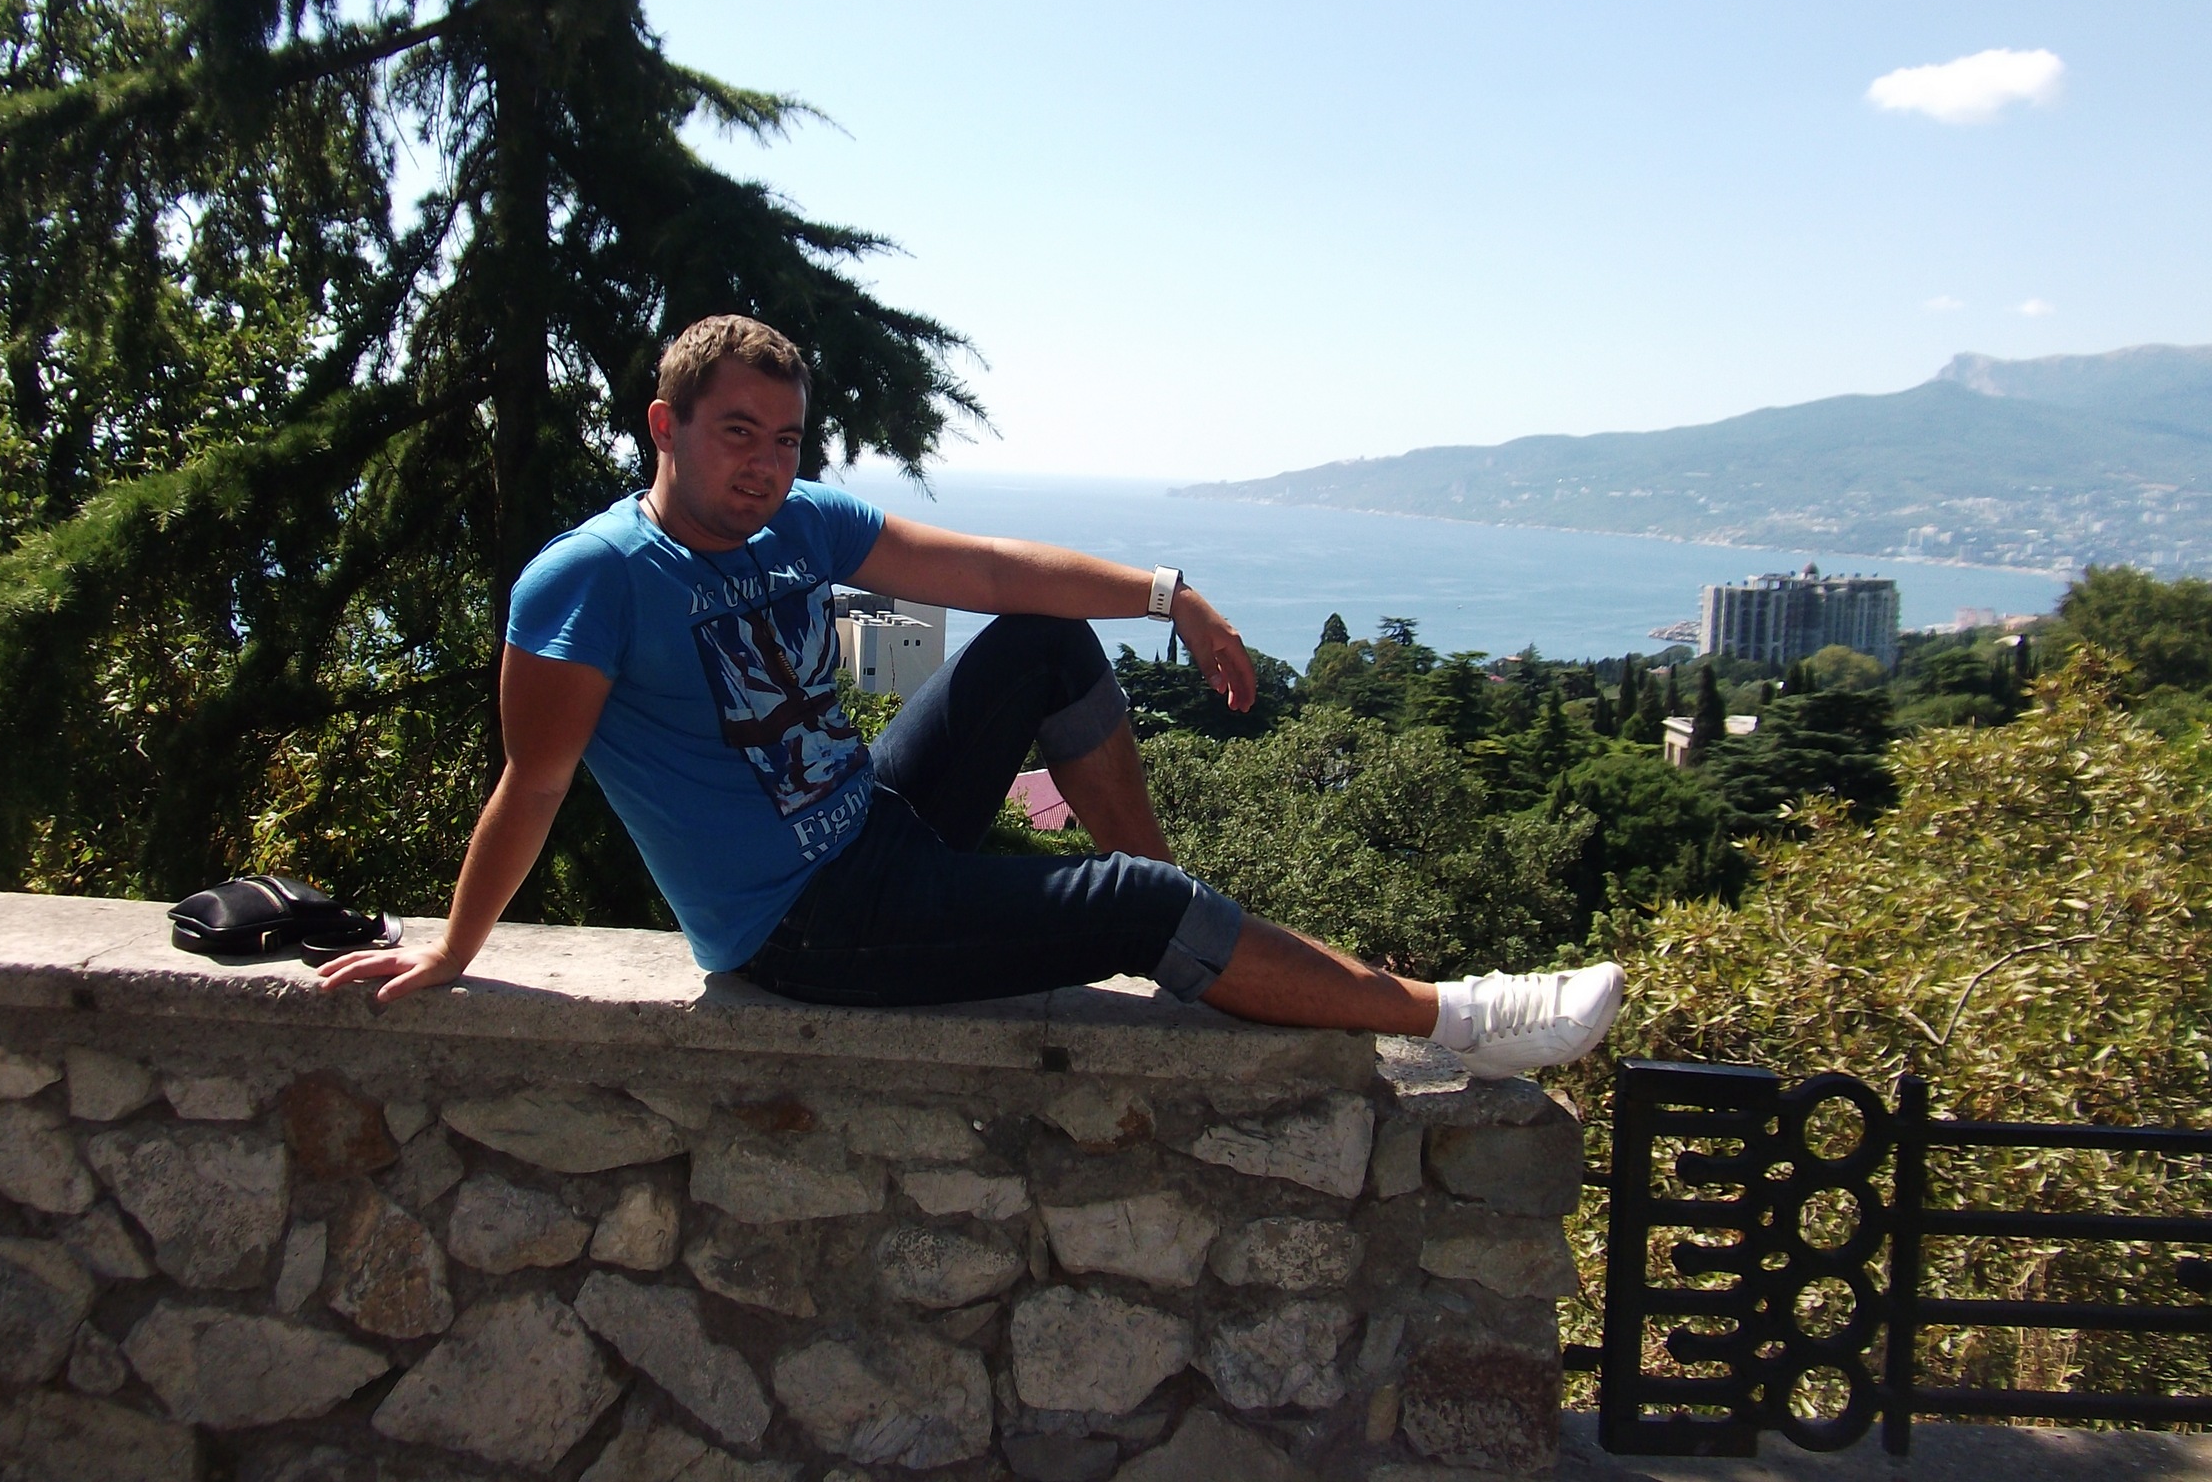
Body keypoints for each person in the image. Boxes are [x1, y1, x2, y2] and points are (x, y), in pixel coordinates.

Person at [321, 316, 1624, 1078]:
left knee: (1041, 644)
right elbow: (535, 781)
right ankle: (1457, 1016)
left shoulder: (798, 523)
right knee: (1136, 908)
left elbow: (994, 570)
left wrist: (1168, 592)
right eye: (737, 433)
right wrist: (454, 950)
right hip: (803, 929)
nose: (767, 465)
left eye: (786, 438)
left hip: (877, 827)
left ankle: (1190, 937)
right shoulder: (590, 581)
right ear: (665, 428)